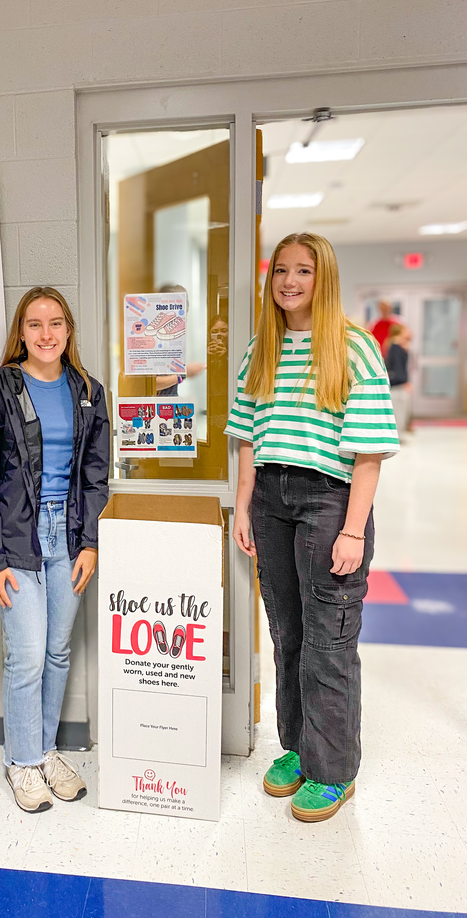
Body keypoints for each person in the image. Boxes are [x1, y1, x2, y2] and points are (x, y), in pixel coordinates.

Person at [226, 233, 399, 823]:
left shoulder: (353, 348)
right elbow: (247, 437)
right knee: (288, 635)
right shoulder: (262, 349)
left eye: (304, 270)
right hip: (271, 498)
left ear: (323, 278)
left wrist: (353, 531)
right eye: (281, 271)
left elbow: (370, 453)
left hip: (330, 500)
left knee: (329, 641)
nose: (290, 281)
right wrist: (243, 506)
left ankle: (333, 772)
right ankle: (298, 749)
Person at [0, 286, 109, 813]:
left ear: (68, 330)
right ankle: (21, 763)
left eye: (55, 324)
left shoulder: (89, 390)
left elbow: (96, 477)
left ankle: (45, 751)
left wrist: (90, 542)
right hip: (15, 539)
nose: (45, 334)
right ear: (20, 333)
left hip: (68, 538)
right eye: (34, 324)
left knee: (57, 652)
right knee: (25, 655)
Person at [385, 323, 412, 437]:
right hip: (397, 385)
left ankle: (399, 435)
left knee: (400, 411)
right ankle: (398, 436)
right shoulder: (395, 347)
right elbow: (398, 367)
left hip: (398, 383)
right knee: (399, 412)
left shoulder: (398, 346)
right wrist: (404, 381)